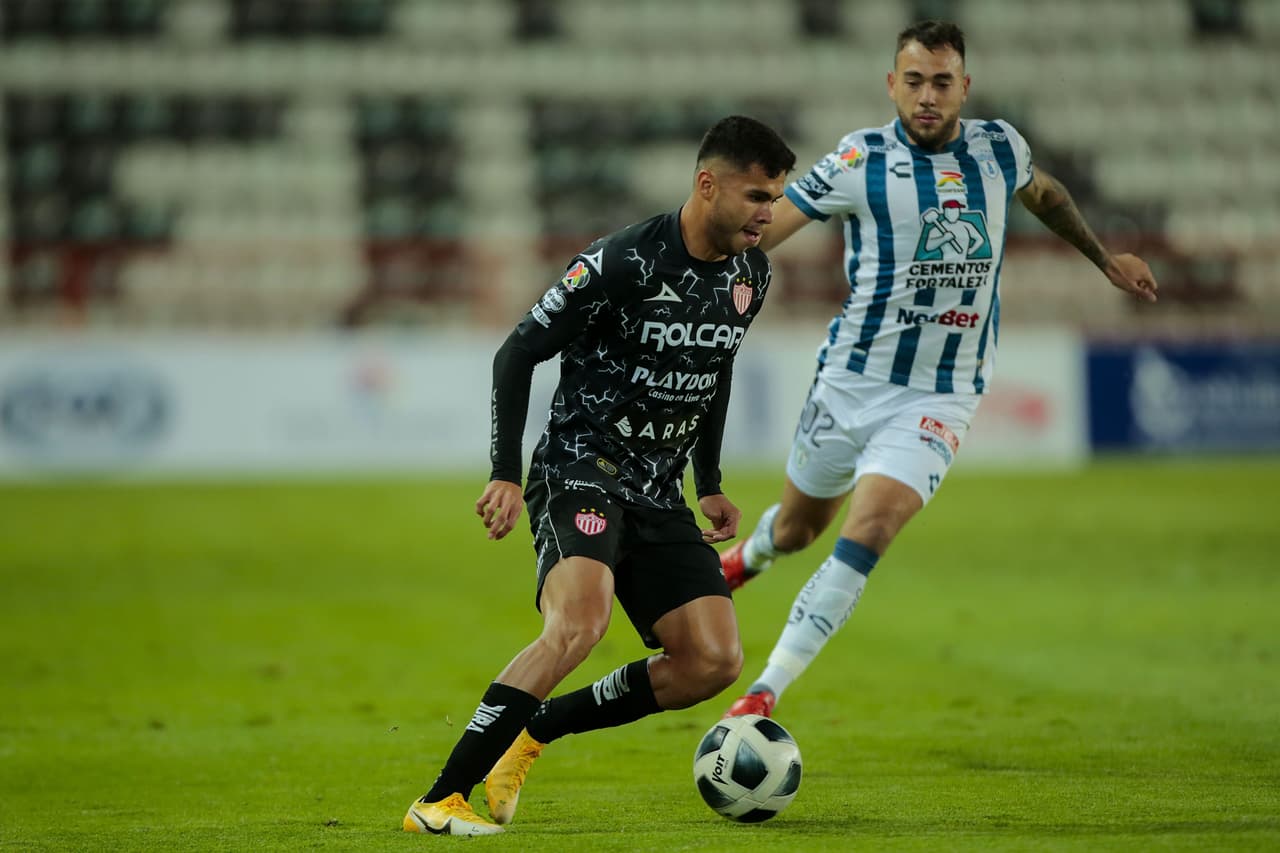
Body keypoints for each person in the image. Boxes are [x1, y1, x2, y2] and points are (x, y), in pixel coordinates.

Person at [719, 20, 1159, 720]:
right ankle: (750, 556)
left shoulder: (998, 148)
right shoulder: (858, 159)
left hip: (940, 393)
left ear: (965, 87)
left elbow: (1043, 193)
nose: (928, 96)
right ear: (892, 84)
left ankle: (762, 691)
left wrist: (1105, 258)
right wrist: (694, 239)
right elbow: (768, 228)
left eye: (942, 83)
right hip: (850, 379)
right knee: (800, 530)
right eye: (915, 81)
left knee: (869, 531)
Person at [402, 115, 796, 835]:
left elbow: (717, 364)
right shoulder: (623, 261)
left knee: (713, 659)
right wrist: (506, 471)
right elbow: (517, 352)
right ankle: (438, 800)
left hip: (657, 488)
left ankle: (535, 729)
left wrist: (707, 477)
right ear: (707, 185)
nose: (769, 212)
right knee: (580, 622)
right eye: (757, 195)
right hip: (583, 468)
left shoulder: (752, 272)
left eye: (776, 197)